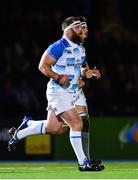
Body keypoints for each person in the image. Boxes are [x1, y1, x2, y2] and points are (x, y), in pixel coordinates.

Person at [8, 16, 104, 171]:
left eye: (84, 27)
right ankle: (84, 163)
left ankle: (25, 128)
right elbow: (43, 66)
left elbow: (81, 68)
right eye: (80, 27)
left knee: (56, 128)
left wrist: (88, 73)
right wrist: (58, 77)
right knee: (77, 123)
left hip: (74, 91)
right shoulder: (58, 46)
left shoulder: (81, 48)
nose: (84, 30)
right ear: (69, 30)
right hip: (59, 92)